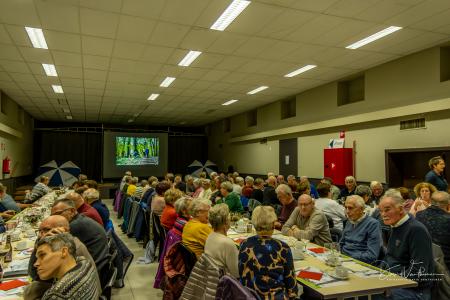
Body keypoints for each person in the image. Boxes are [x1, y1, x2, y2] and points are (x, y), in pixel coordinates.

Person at [25, 215, 100, 299]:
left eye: (47, 230)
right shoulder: (81, 259)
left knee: (30, 290)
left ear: (64, 230)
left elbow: (34, 275)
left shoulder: (56, 296)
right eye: (40, 231)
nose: (41, 235)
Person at [376, 191, 434, 300]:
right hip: (396, 282)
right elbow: (390, 258)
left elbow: (418, 273)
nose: (383, 214)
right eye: (381, 211)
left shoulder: (416, 230)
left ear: (401, 209)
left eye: (387, 209)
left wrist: (389, 280)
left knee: (373, 295)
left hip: (415, 290)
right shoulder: (396, 225)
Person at [239, 206, 299, 299]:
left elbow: (241, 272)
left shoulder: (244, 244)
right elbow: (291, 284)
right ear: (273, 225)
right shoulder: (282, 247)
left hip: (248, 295)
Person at [51, 199, 109, 287]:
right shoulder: (79, 219)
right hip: (99, 263)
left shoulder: (75, 226)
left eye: (58, 214)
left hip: (92, 270)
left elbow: (54, 250)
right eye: (52, 215)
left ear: (72, 211)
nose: (54, 218)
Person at [33, 233, 100, 300]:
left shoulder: (57, 295)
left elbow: (32, 273)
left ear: (64, 252)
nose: (36, 264)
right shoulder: (85, 262)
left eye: (42, 255)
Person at [153, 196, 192, 289]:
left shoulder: (179, 221)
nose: (194, 209)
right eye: (192, 208)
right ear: (184, 211)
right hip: (182, 265)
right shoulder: (186, 225)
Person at [340, 195, 381, 264]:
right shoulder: (349, 221)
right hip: (343, 259)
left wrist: (348, 257)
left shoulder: (373, 224)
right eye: (345, 207)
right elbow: (341, 244)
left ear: (361, 209)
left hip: (359, 262)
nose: (347, 211)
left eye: (350, 208)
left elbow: (372, 256)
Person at [416, 191, 450, 271]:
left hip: (423, 261)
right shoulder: (448, 219)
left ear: (431, 202)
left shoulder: (419, 215)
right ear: (448, 205)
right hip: (445, 265)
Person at [204, 204, 239, 278]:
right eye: (229, 216)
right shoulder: (227, 243)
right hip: (223, 283)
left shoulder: (210, 236)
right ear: (225, 222)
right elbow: (236, 273)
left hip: (211, 279)